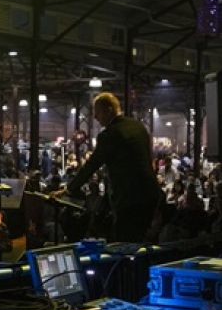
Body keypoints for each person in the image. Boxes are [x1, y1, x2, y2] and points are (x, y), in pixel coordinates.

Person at [58, 92, 160, 242]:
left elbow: (92, 164)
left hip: (128, 198)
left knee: (124, 245)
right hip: (150, 195)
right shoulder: (138, 127)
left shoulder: (110, 134)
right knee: (143, 242)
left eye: (97, 112)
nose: (95, 117)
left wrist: (69, 189)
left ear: (109, 110)